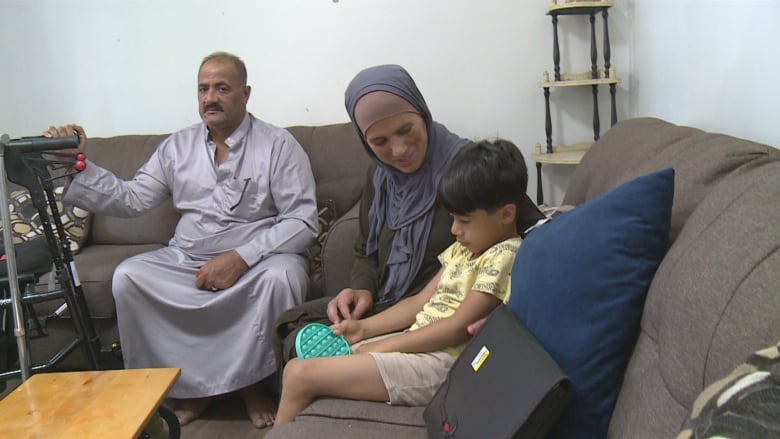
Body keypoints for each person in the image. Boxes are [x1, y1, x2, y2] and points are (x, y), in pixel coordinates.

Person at [43, 51, 318, 428]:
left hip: (259, 260)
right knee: (130, 276)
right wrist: (76, 163)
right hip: (187, 257)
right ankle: (191, 389)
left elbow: (302, 221)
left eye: (222, 88)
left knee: (282, 278)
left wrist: (241, 258)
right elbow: (133, 197)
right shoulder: (177, 147)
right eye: (203, 89)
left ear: (245, 93)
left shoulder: (279, 145)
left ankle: (254, 386)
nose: (210, 97)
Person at [274, 139, 535, 426]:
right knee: (298, 366)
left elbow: (457, 328)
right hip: (421, 348)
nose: (454, 230)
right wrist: (363, 329)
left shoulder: (506, 255)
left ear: (507, 214)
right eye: (452, 218)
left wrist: (384, 347)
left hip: (444, 364)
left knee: (300, 376)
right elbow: (418, 303)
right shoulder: (467, 248)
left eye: (464, 220)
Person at [273, 64, 469, 369]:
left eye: (406, 130)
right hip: (386, 303)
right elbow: (366, 249)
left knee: (315, 358)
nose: (399, 149)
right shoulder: (380, 177)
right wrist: (361, 288)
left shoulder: (467, 168)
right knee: (291, 327)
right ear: (365, 142)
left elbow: (525, 228)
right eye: (380, 142)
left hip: (435, 313)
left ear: (422, 114)